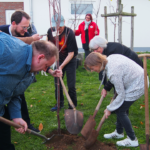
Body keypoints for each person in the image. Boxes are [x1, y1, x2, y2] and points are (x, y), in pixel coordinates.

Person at [0, 32, 62, 150]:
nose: (45, 70)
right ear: (40, 57)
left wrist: (16, 116)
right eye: (46, 66)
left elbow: (15, 93)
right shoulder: (6, 48)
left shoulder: (30, 74)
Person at [84, 52, 144, 147]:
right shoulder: (109, 59)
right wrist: (106, 88)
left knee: (120, 110)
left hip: (138, 84)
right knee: (118, 107)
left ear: (98, 63)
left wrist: (109, 109)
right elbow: (115, 78)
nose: (92, 71)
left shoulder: (113, 72)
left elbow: (121, 95)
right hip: (132, 79)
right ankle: (119, 133)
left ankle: (132, 139)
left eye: (92, 68)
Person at [0, 10, 43, 132]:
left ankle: (23, 121)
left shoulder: (25, 33)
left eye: (27, 27)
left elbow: (36, 53)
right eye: (24, 27)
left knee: (19, 96)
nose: (26, 30)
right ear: (14, 23)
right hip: (5, 75)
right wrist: (30, 39)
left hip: (20, 75)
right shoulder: (2, 31)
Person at [47, 14, 78, 111]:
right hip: (58, 59)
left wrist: (61, 66)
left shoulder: (69, 33)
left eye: (60, 26)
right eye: (56, 26)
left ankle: (72, 105)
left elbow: (71, 53)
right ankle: (59, 104)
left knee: (71, 85)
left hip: (70, 60)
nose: (58, 28)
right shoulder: (50, 31)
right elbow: (48, 45)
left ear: (64, 23)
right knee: (57, 84)